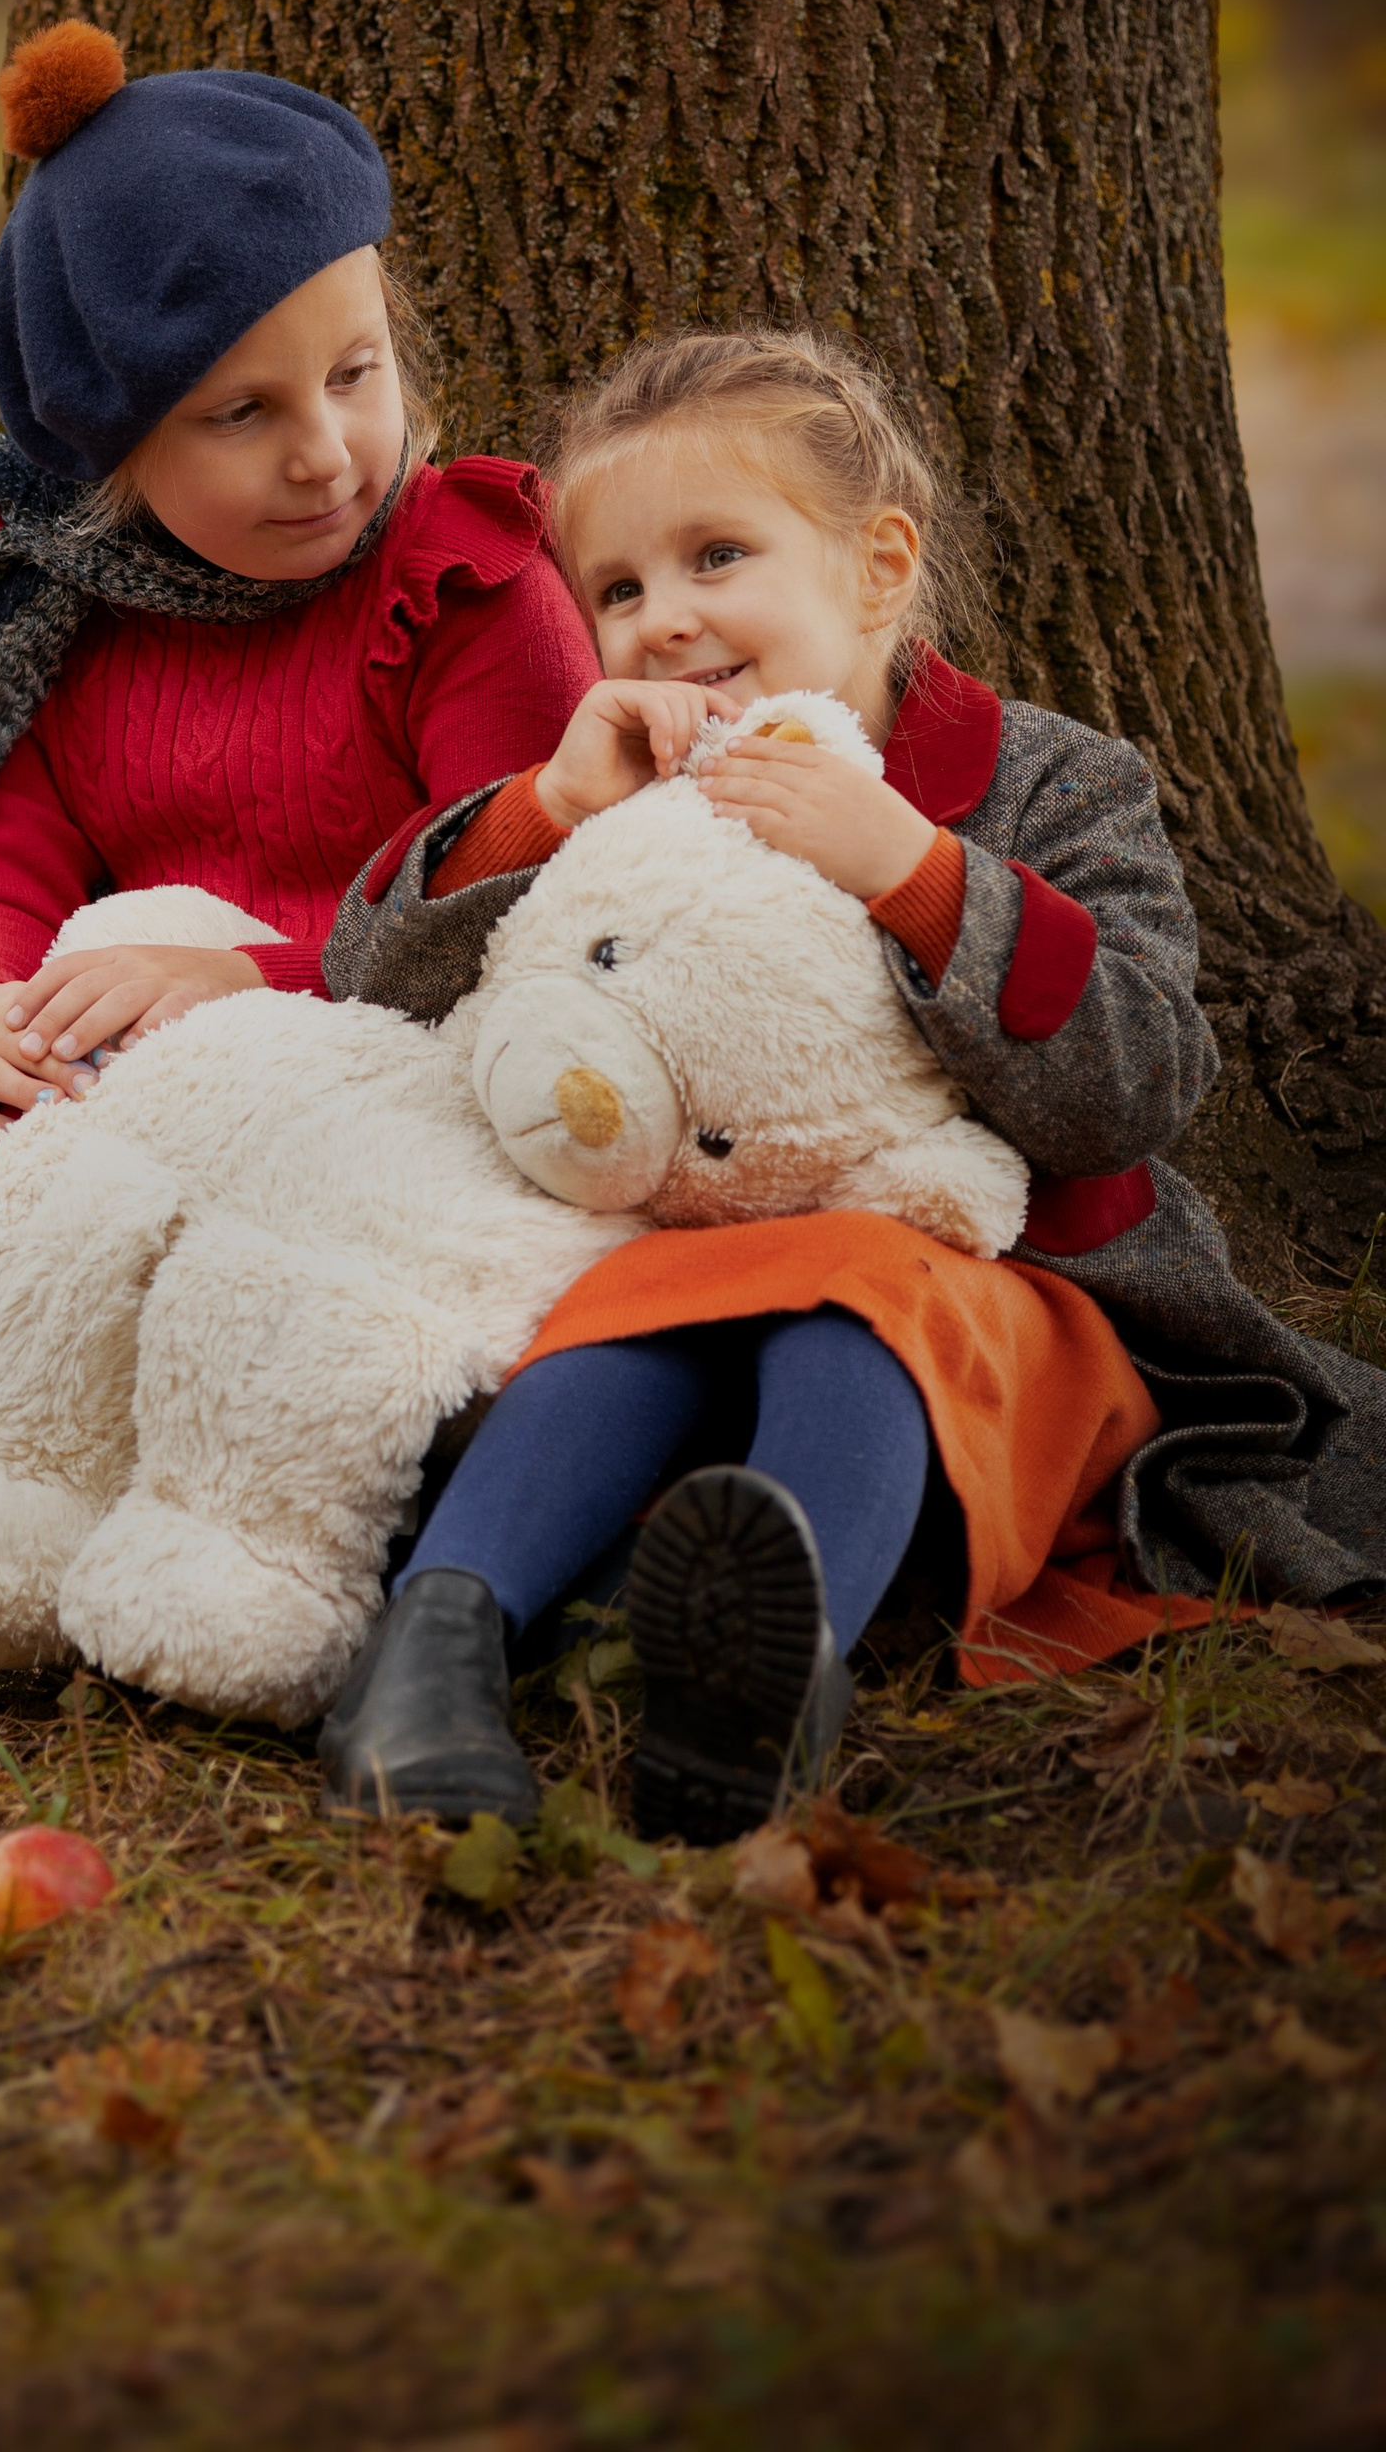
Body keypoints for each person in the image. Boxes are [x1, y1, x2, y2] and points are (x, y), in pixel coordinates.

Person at [319, 325, 1386, 1844]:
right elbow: (370, 982)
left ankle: (760, 1683)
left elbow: (1138, 1082)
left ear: (880, 569)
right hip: (687, 1277)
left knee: (856, 1298)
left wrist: (915, 869)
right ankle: (432, 1651)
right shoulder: (624, 793)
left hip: (993, 1299)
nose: (664, 620)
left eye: (718, 556)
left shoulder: (1056, 783)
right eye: (617, 590)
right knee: (629, 1325)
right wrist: (547, 809)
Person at [0, 20, 597, 1556]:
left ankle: (149, 1428)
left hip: (374, 1075)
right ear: (116, 452)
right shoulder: (57, 615)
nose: (327, 451)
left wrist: (242, 976)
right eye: (240, 414)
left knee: (321, 1249)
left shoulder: (461, 584)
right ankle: (40, 1402)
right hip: (115, 1091)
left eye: (355, 373)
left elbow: (520, 896)